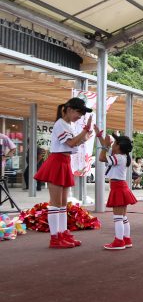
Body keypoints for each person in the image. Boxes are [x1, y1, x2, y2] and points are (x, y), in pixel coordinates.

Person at [34, 97, 93, 249]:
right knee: (55, 204)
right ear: (68, 109)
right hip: (57, 162)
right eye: (78, 112)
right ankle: (55, 238)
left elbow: (76, 142)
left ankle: (62, 234)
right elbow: (71, 143)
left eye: (81, 113)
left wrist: (86, 135)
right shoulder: (60, 124)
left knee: (62, 204)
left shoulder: (68, 124)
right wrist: (85, 132)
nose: (80, 116)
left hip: (65, 162)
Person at [95, 127, 137, 250]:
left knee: (118, 217)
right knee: (123, 217)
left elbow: (102, 158)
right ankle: (126, 239)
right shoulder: (122, 156)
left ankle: (119, 242)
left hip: (118, 187)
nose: (112, 145)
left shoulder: (118, 157)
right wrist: (99, 137)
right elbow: (106, 147)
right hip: (121, 186)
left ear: (118, 147)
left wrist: (104, 146)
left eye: (114, 144)